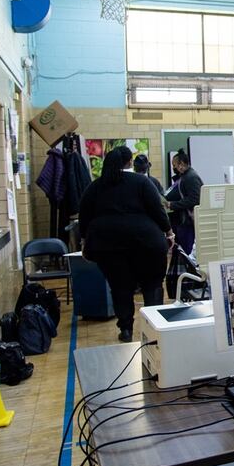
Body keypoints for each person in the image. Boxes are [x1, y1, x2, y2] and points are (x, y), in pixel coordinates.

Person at [78, 146, 175, 343]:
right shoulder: (141, 182)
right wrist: (169, 231)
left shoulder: (96, 186)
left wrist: (84, 241)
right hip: (146, 242)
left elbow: (84, 215)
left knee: (120, 287)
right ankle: (155, 331)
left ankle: (126, 329)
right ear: (129, 162)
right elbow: (157, 209)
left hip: (108, 245)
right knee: (152, 285)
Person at [164, 149, 203, 254]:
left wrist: (173, 205)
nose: (174, 168)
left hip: (189, 221)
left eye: (175, 165)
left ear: (181, 164)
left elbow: (194, 199)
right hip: (184, 220)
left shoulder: (191, 177)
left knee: (188, 250)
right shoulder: (185, 176)